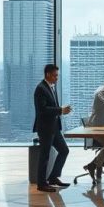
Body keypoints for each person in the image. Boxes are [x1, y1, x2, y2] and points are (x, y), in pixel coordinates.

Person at [33, 63, 72, 193]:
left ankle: (53, 177)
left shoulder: (51, 87)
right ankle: (42, 183)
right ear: (48, 74)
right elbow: (42, 110)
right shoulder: (40, 89)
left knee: (64, 150)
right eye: (55, 75)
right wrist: (61, 110)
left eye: (57, 75)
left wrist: (60, 111)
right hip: (45, 128)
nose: (57, 78)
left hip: (54, 127)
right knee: (45, 155)